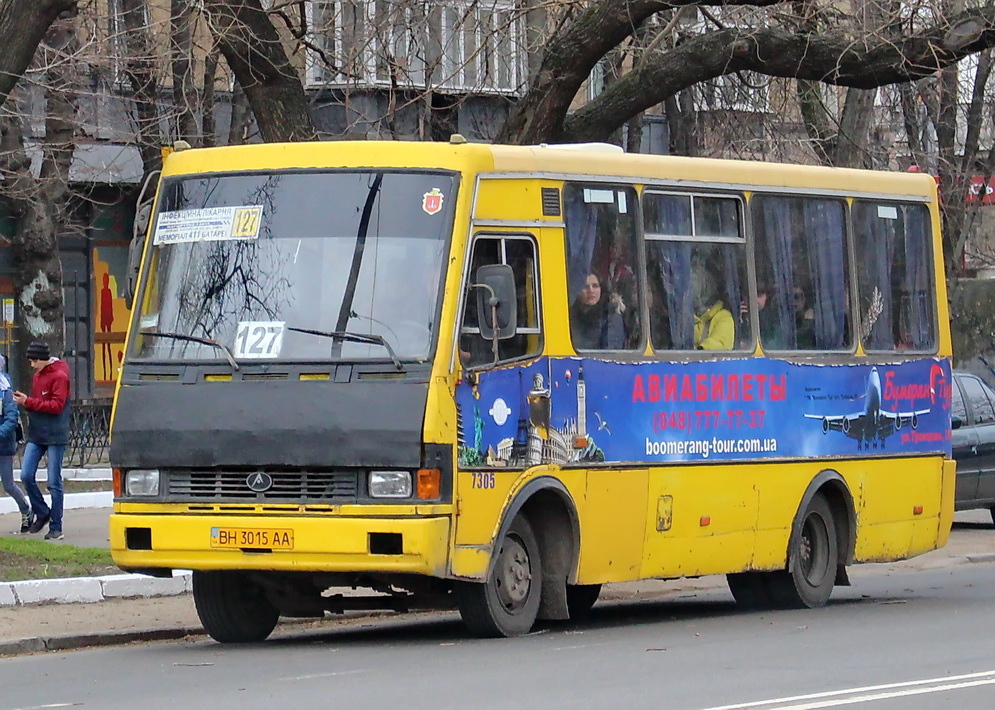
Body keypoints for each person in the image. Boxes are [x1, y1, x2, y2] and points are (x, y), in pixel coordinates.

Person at [14, 341, 71, 541]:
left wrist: (28, 402)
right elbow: (40, 404)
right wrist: (26, 402)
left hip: (55, 434)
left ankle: (56, 526)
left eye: (34, 361)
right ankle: (43, 512)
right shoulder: (38, 376)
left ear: (42, 359)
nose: (31, 365)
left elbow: (56, 406)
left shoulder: (60, 376)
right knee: (26, 474)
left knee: (54, 481)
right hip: (38, 433)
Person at [0, 355, 30, 533]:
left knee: (8, 484)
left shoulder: (6, 392)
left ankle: (26, 510)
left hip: (3, 446)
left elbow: (11, 420)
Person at [570, 272, 625, 350]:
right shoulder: (571, 315)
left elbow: (610, 353)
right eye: (585, 287)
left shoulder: (610, 315)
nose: (591, 290)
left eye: (595, 286)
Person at [692, 265, 734, 350]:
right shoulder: (683, 316)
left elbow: (720, 346)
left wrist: (696, 351)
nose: (696, 290)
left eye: (704, 285)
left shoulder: (724, 317)